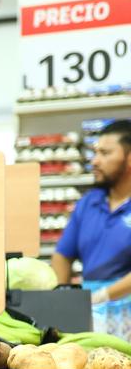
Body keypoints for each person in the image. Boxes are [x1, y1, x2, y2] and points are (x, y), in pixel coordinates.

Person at [51, 120, 131, 304]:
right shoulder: (88, 203)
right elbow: (62, 255)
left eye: (105, 153)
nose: (95, 161)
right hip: (91, 309)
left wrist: (103, 296)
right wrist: (60, 298)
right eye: (95, 153)